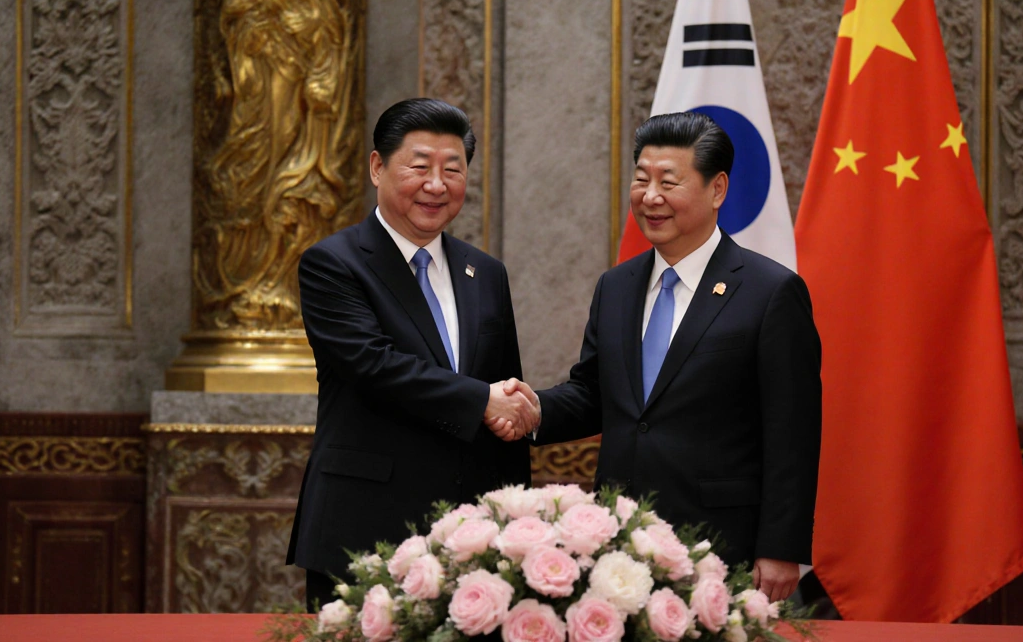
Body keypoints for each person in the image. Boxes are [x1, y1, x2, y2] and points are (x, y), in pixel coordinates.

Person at [507, 111, 821, 602]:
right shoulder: (617, 286)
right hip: (619, 539)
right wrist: (534, 409)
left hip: (722, 542)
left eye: (668, 182)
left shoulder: (770, 292)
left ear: (716, 190)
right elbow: (593, 391)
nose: (650, 197)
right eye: (641, 180)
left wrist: (781, 547)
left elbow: (792, 432)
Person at [286, 98, 540, 609]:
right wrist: (483, 400)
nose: (436, 185)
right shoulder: (333, 264)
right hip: (365, 527)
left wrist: (519, 520)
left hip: (472, 540)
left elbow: (502, 390)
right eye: (419, 166)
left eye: (453, 169)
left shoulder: (485, 272)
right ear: (378, 167)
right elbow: (371, 364)